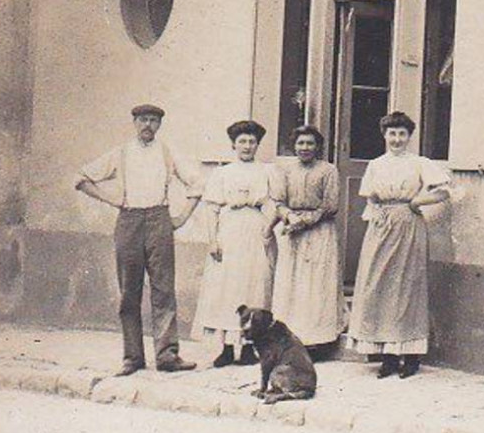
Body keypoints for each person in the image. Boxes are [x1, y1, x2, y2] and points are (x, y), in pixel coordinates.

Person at [74, 104, 203, 375]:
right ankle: (132, 357)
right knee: (129, 291)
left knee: (164, 289)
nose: (148, 125)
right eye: (143, 120)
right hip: (129, 220)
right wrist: (111, 199)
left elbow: (197, 184)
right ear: (134, 122)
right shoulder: (121, 153)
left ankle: (167, 355)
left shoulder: (168, 153)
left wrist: (181, 218)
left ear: (159, 125)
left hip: (159, 220)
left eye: (154, 121)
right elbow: (81, 178)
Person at [346, 111, 451, 378]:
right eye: (392, 134)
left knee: (406, 287)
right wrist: (377, 211)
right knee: (379, 286)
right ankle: (388, 357)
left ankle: (411, 356)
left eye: (402, 134)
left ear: (409, 136)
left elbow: (443, 192)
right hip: (381, 228)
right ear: (384, 135)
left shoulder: (419, 163)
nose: (396, 139)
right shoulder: (376, 165)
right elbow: (371, 199)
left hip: (408, 226)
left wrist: (417, 202)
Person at [193, 119, 277, 367]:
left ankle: (250, 346)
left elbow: (273, 203)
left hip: (255, 231)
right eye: (242, 141)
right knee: (225, 289)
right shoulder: (222, 173)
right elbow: (211, 209)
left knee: (253, 287)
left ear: (257, 145)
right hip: (229, 233)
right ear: (233, 144)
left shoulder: (266, 172)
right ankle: (227, 348)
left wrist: (268, 228)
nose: (247, 146)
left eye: (252, 142)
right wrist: (213, 240)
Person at [269, 125, 342, 352]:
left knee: (316, 284)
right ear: (294, 146)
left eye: (310, 143)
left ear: (318, 146)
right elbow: (278, 201)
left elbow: (330, 205)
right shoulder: (286, 171)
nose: (305, 148)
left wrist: (306, 221)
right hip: (292, 232)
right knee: (293, 284)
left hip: (319, 232)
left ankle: (318, 342)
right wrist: (289, 216)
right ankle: (291, 339)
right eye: (301, 143)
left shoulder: (328, 170)